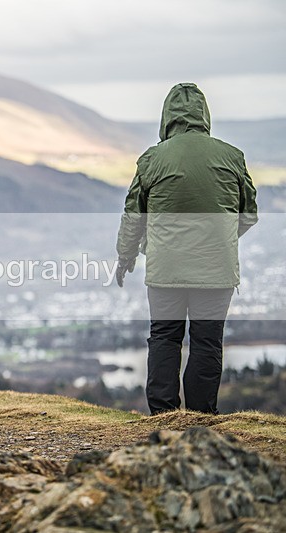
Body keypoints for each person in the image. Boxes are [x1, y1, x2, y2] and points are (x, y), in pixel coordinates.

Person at [116, 82, 258, 415]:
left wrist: (126, 255)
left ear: (167, 116)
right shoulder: (231, 156)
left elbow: (134, 213)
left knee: (165, 337)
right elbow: (249, 213)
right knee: (207, 342)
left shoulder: (152, 158)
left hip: (166, 270)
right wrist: (220, 238)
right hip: (216, 269)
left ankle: (163, 417)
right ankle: (200, 418)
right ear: (204, 114)